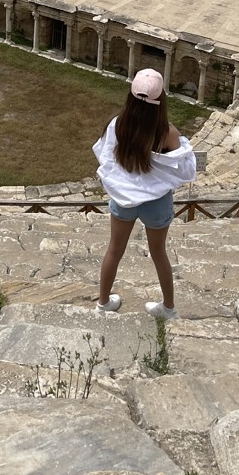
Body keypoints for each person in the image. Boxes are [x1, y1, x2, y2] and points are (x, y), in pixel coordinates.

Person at [93, 68, 197, 319]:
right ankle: (168, 308)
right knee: (159, 253)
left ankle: (103, 303)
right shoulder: (167, 132)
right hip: (157, 201)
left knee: (114, 250)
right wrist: (182, 144)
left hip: (124, 197)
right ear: (161, 100)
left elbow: (106, 155)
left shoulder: (119, 124)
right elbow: (185, 167)